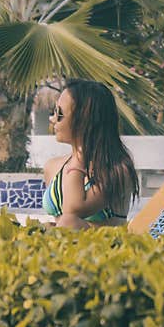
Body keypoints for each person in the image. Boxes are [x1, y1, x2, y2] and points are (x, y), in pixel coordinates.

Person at [42, 79, 139, 229]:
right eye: (54, 112)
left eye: (59, 114)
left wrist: (80, 156)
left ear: (84, 120)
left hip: (103, 249)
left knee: (69, 221)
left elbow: (73, 210)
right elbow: (61, 222)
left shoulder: (117, 171)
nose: (52, 119)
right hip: (64, 248)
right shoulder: (52, 167)